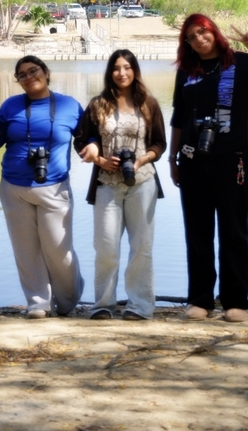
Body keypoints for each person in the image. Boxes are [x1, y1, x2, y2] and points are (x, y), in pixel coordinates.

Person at [169, 14, 248, 323]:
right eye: (191, 37)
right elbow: (179, 117)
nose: (199, 39)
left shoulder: (241, 63)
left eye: (203, 32)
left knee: (234, 231)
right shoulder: (187, 71)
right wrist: (172, 159)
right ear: (187, 43)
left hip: (234, 160)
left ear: (213, 31)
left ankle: (235, 301)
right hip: (193, 161)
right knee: (197, 233)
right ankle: (200, 299)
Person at [75, 50, 167, 320]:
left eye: (127, 67)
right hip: (107, 183)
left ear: (135, 70)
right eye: (116, 68)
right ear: (110, 72)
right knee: (105, 247)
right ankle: (103, 305)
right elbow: (81, 140)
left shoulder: (149, 103)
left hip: (143, 182)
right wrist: (100, 160)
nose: (122, 73)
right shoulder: (98, 104)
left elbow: (159, 144)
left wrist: (142, 160)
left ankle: (140, 306)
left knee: (141, 247)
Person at [0, 55, 85, 318]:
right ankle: (38, 303)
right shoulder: (10, 106)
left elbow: (86, 139)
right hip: (14, 187)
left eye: (33, 71)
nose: (29, 77)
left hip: (55, 188)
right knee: (26, 251)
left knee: (59, 251)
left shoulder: (69, 105)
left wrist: (92, 148)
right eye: (22, 74)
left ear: (46, 72)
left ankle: (68, 301)